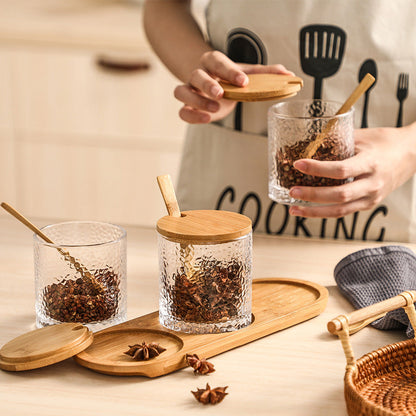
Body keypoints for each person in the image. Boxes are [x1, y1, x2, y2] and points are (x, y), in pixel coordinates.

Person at [143, 0, 416, 242]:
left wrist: (408, 148)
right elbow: (164, 5)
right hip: (226, 188)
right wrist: (199, 68)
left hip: (381, 217)